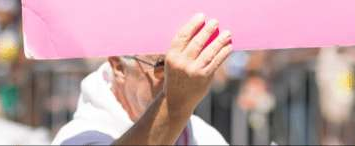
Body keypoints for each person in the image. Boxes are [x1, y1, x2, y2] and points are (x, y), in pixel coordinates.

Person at [52, 13, 233, 145]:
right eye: (162, 65)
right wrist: (175, 105)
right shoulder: (77, 137)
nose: (180, 75)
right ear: (119, 67)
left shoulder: (203, 137)